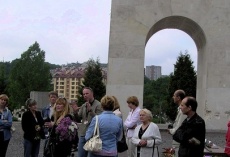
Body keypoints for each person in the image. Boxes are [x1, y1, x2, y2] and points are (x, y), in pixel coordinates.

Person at [77, 87, 103, 157]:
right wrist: (75, 111)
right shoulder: (84, 105)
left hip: (93, 135)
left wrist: (91, 111)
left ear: (92, 94)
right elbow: (79, 116)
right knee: (81, 154)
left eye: (87, 93)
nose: (85, 95)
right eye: (84, 94)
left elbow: (99, 119)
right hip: (83, 134)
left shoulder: (99, 105)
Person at [168, 90, 187, 156]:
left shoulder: (182, 111)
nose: (173, 97)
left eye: (174, 96)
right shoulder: (179, 109)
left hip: (179, 141)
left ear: (178, 98)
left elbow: (179, 127)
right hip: (177, 139)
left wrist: (170, 131)